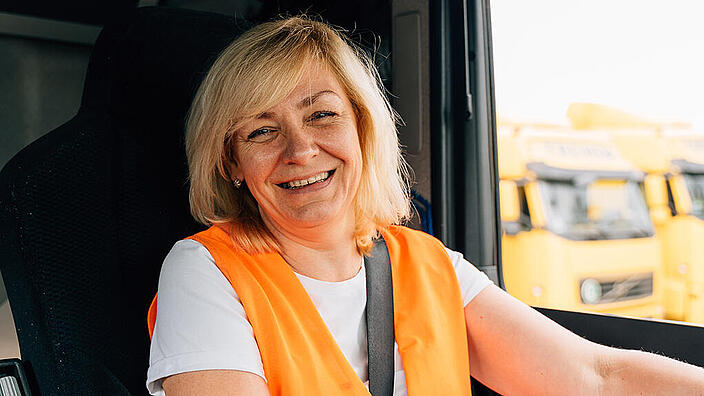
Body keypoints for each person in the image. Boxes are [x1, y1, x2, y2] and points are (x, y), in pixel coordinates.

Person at [146, 16, 704, 395]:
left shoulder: (427, 264)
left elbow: (595, 376)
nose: (300, 150)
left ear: (364, 131)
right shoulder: (204, 272)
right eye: (262, 132)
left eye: (322, 115)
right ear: (231, 165)